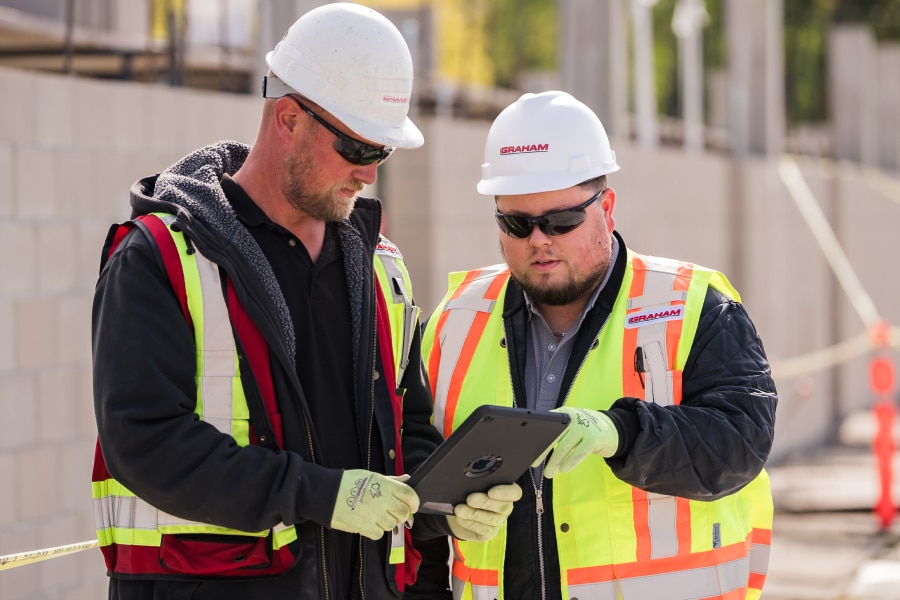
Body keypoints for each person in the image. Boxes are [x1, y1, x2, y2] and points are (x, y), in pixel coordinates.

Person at [90, 4, 517, 599]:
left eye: (382, 154)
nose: (369, 176)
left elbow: (407, 429)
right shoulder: (160, 260)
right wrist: (320, 494)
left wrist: (442, 506)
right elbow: (146, 442)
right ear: (288, 119)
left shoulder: (381, 269)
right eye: (356, 151)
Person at [408, 90, 778, 600]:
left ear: (606, 206)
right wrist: (440, 519)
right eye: (517, 223)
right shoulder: (453, 321)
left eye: (561, 221)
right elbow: (412, 488)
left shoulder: (694, 306)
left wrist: (620, 432)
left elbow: (740, 442)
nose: (539, 239)